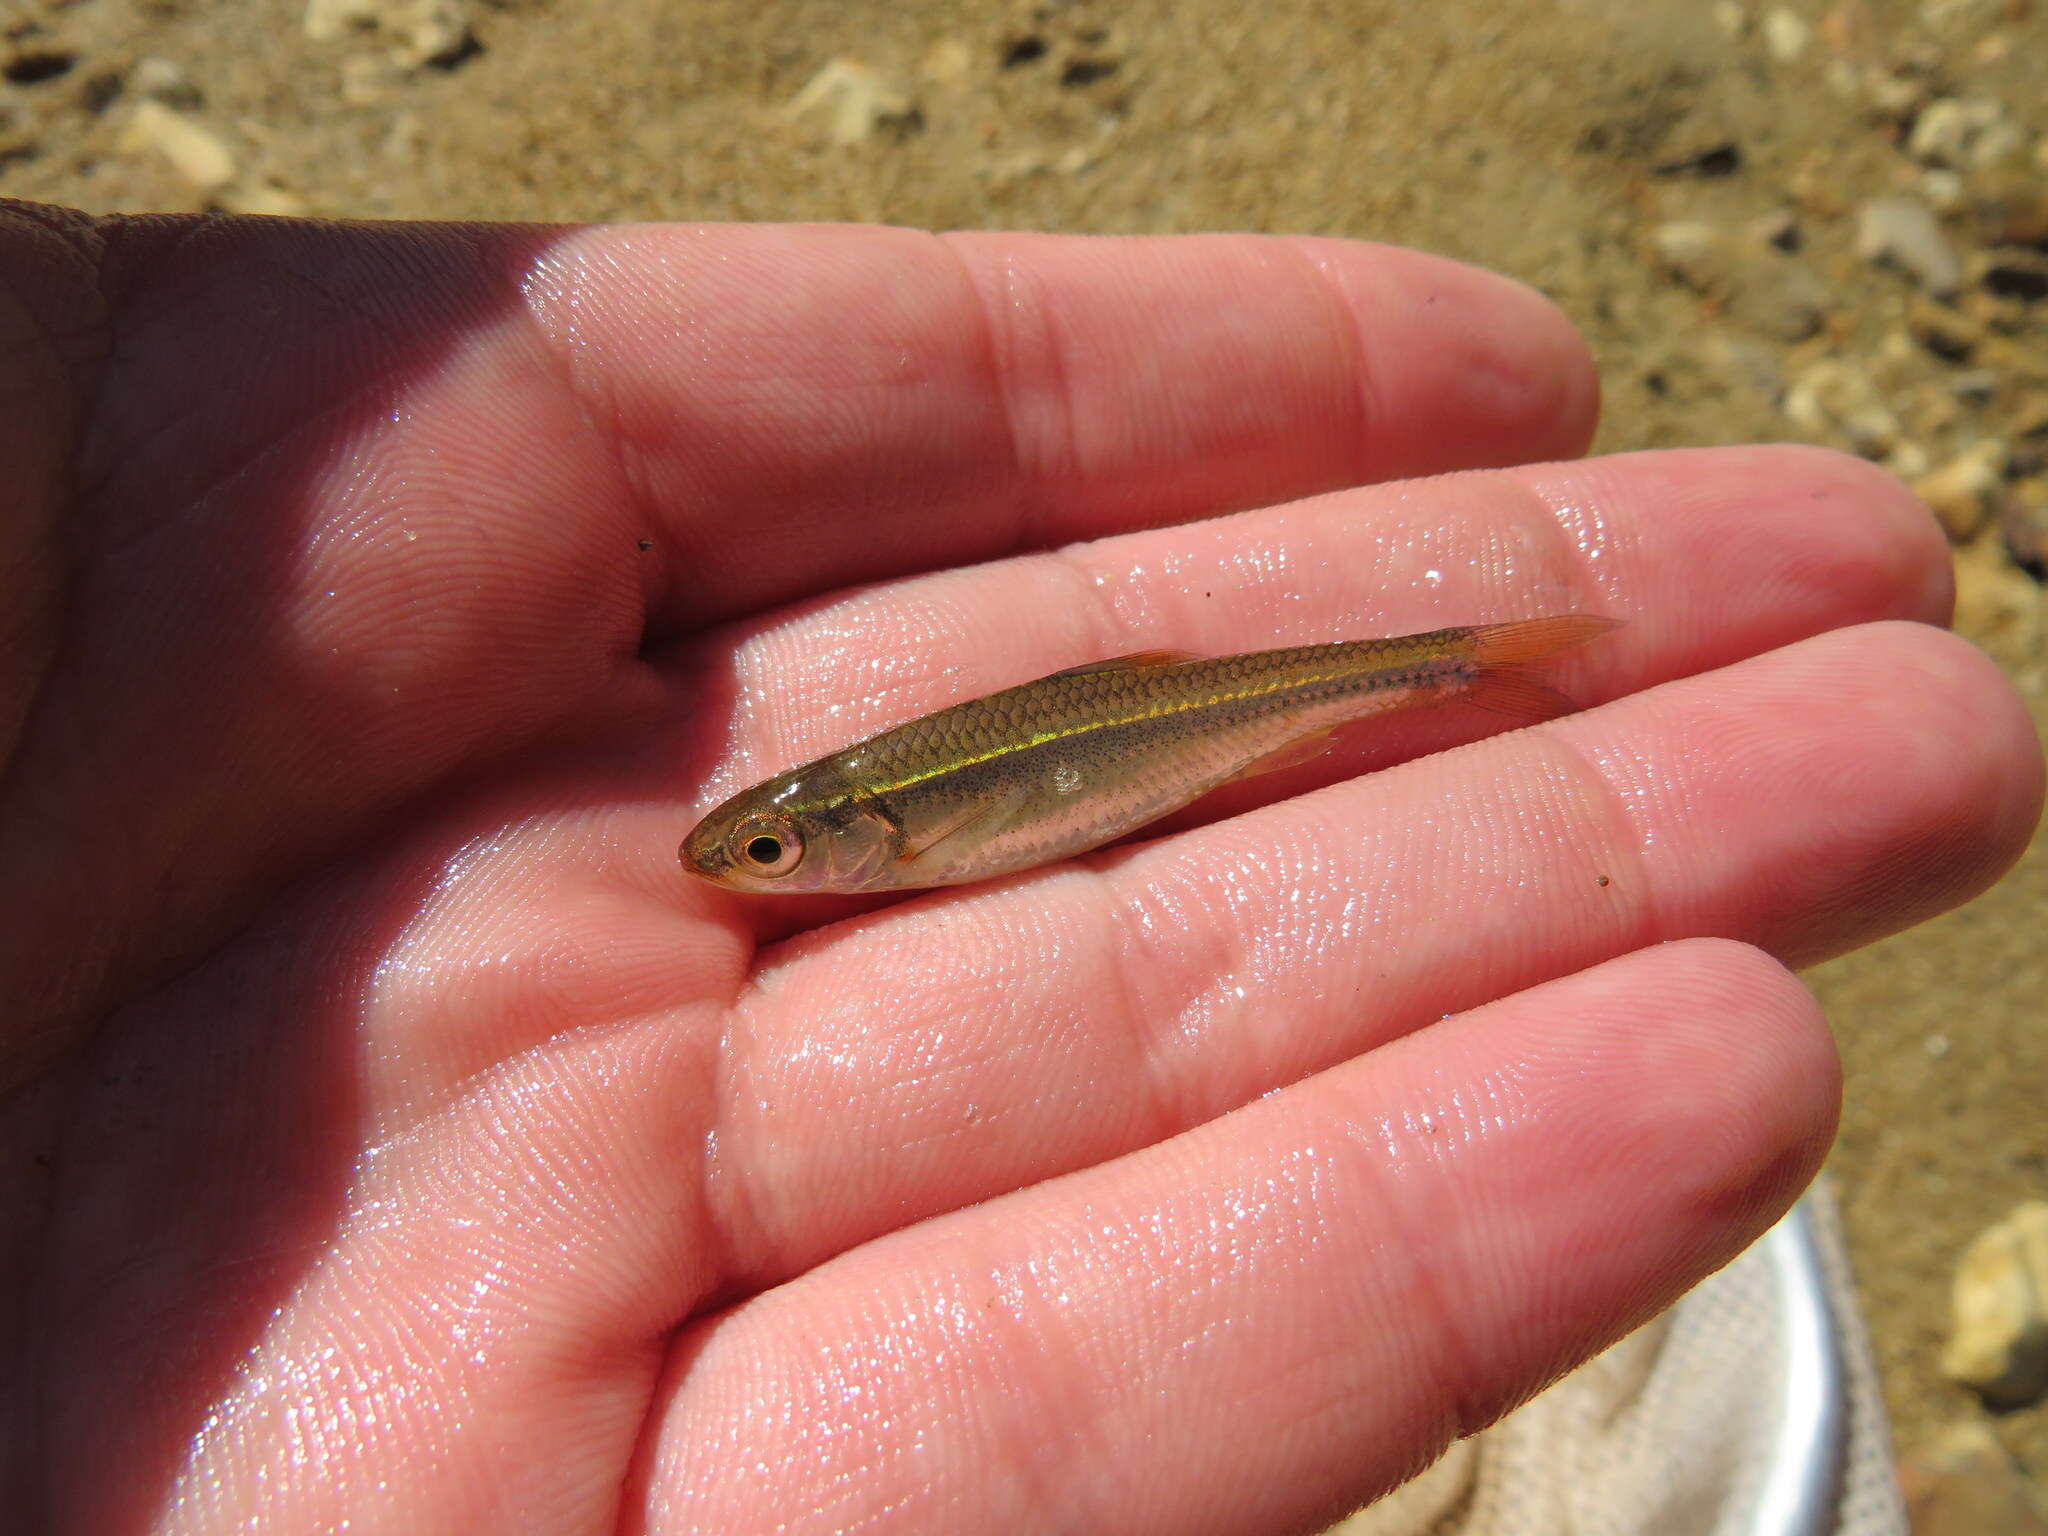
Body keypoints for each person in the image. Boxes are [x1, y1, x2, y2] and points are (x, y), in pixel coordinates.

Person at [0, 200, 2038, 1533]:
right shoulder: (867, 829)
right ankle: (1481, 663)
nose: (778, 865)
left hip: (1163, 726)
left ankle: (1475, 659)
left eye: (796, 842)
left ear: (863, 833)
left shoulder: (913, 817)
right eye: (785, 842)